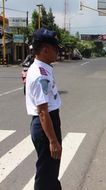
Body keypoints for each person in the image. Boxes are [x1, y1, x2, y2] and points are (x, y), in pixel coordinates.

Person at [25, 28, 63, 190]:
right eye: (56, 48)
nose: (58, 52)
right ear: (46, 50)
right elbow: (42, 112)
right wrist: (53, 141)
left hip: (48, 122)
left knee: (51, 170)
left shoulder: (44, 67)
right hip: (45, 125)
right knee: (46, 173)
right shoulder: (41, 74)